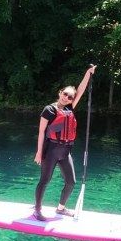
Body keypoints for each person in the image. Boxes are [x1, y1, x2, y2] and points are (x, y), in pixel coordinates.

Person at [33, 65, 96, 221]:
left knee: (71, 182)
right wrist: (39, 152)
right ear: (60, 93)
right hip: (51, 150)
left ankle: (60, 208)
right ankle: (37, 210)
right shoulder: (49, 109)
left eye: (70, 97)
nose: (67, 98)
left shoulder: (70, 108)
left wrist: (88, 73)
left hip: (65, 151)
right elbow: (41, 132)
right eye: (65, 94)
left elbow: (81, 89)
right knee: (45, 180)